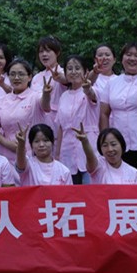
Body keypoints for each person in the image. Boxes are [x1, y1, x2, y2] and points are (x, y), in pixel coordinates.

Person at [98, 42, 137, 168]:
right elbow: (104, 113)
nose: (132, 58)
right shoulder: (112, 83)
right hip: (119, 144)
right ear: (121, 59)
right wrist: (105, 139)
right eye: (128, 55)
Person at [46, 54, 99, 184]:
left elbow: (92, 96)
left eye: (77, 68)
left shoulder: (92, 91)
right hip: (67, 150)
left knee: (89, 189)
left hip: (88, 147)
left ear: (86, 72)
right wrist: (57, 154)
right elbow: (61, 127)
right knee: (71, 190)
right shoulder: (63, 96)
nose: (73, 72)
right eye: (69, 69)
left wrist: (87, 88)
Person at [0, 59, 50, 162]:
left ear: (29, 77)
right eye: (12, 74)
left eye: (21, 74)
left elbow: (46, 106)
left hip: (32, 155)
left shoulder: (35, 97)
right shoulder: (1, 101)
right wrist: (7, 143)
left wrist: (46, 94)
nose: (16, 78)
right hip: (6, 156)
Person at [31, 36, 68, 105]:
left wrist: (61, 78)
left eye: (48, 51)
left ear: (57, 53)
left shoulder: (62, 72)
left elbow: (68, 80)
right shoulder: (36, 77)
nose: (44, 54)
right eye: (41, 51)